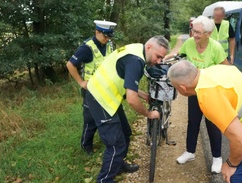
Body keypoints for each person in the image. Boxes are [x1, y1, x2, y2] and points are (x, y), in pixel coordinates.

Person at [85, 36, 169, 182]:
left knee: (125, 133)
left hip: (109, 96)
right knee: (116, 145)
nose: (159, 61)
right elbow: (131, 99)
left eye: (162, 58)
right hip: (100, 98)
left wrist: (143, 95)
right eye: (158, 56)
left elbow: (126, 80)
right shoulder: (136, 61)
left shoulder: (137, 48)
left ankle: (117, 165)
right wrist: (149, 114)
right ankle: (104, 180)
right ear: (149, 47)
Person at [164, 16, 228, 173]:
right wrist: (167, 57)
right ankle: (190, 152)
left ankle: (217, 158)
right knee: (193, 121)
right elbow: (178, 52)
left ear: (208, 33)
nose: (195, 35)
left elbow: (226, 68)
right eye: (193, 30)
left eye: (198, 32)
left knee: (212, 125)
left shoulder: (215, 48)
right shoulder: (190, 43)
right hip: (194, 90)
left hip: (211, 92)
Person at [66, 20, 117, 155]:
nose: (107, 39)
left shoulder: (109, 44)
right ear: (97, 32)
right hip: (91, 91)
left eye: (109, 36)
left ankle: (108, 142)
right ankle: (86, 146)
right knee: (90, 120)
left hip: (106, 89)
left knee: (108, 116)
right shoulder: (87, 48)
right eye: (105, 35)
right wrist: (81, 82)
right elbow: (70, 65)